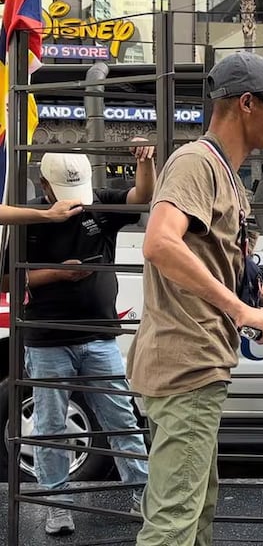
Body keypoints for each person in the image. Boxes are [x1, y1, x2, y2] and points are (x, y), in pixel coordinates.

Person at [126, 51, 263, 546]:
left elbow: (227, 270)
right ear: (245, 103)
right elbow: (160, 242)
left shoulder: (222, 172)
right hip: (186, 366)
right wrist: (243, 311)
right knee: (174, 525)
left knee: (195, 515)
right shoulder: (198, 162)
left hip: (195, 366)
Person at [16, 145, 155, 537]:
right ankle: (56, 504)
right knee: (49, 426)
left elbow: (141, 197)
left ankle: (142, 493)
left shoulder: (100, 202)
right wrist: (58, 274)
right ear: (44, 185)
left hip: (98, 333)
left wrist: (144, 163)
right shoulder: (27, 217)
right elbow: (11, 279)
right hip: (47, 336)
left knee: (121, 418)